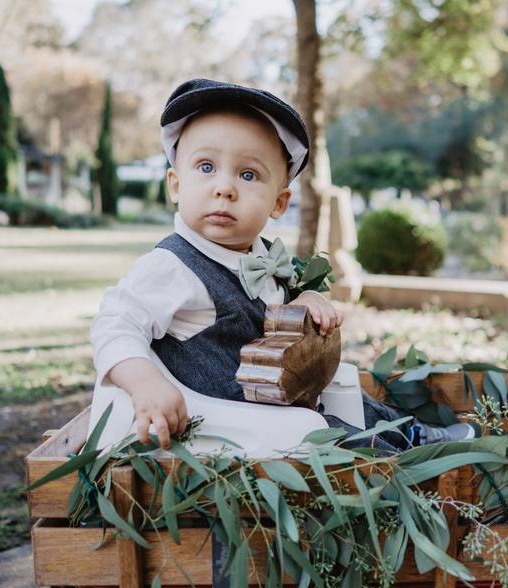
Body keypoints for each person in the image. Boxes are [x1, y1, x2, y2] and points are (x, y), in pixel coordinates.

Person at [90, 78, 473, 452]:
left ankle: (410, 436)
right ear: (175, 184)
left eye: (248, 174)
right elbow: (115, 322)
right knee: (328, 433)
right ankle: (399, 458)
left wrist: (304, 298)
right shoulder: (171, 267)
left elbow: (275, 312)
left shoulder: (261, 256)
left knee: (349, 395)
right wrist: (144, 382)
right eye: (206, 167)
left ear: (278, 202)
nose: (224, 187)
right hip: (224, 419)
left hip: (276, 398)